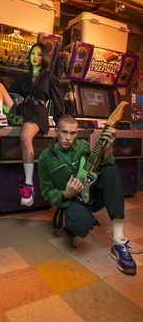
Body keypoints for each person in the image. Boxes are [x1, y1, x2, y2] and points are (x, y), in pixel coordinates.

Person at [38, 114, 137, 275]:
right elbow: (47, 192)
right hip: (71, 200)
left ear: (77, 133)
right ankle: (73, 223)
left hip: (91, 192)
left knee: (111, 171)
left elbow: (103, 166)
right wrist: (65, 194)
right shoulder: (45, 159)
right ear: (56, 131)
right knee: (81, 224)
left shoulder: (83, 145)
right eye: (64, 132)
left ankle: (119, 241)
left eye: (73, 133)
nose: (69, 138)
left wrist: (109, 148)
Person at [0, 43, 64, 207]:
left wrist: (60, 124)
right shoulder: (24, 77)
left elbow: (58, 101)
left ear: (44, 58)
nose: (35, 57)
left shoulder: (50, 78)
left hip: (37, 112)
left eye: (39, 54)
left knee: (25, 137)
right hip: (22, 109)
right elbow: (9, 90)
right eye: (33, 54)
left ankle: (29, 185)